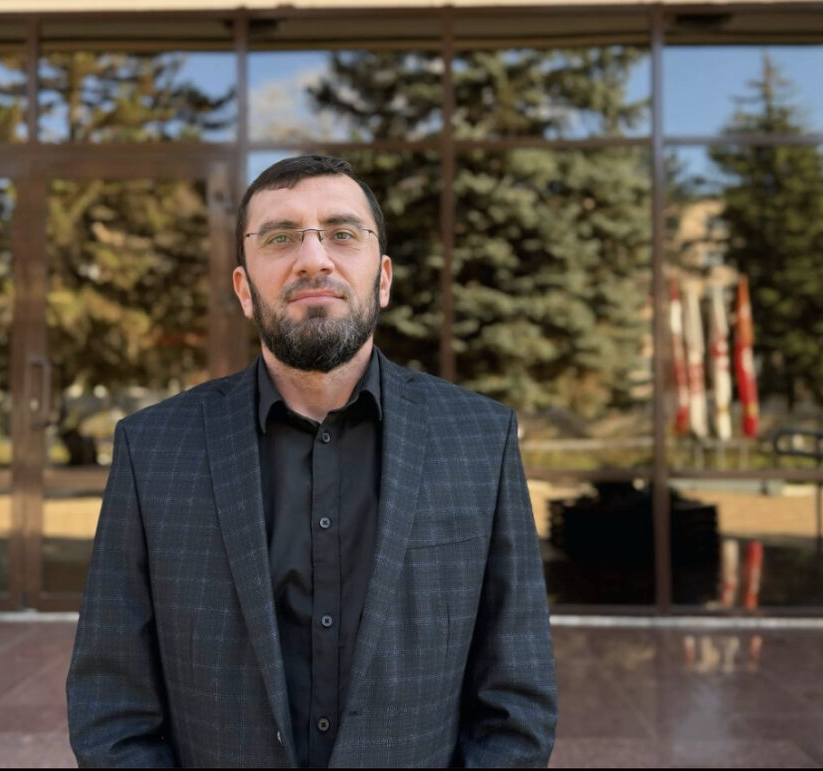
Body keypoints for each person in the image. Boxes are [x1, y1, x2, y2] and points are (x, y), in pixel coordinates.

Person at [66, 155, 557, 768]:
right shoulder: (154, 449)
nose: (314, 259)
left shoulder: (480, 438)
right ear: (244, 289)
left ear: (383, 279)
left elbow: (516, 700)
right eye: (280, 238)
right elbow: (111, 706)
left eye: (342, 234)